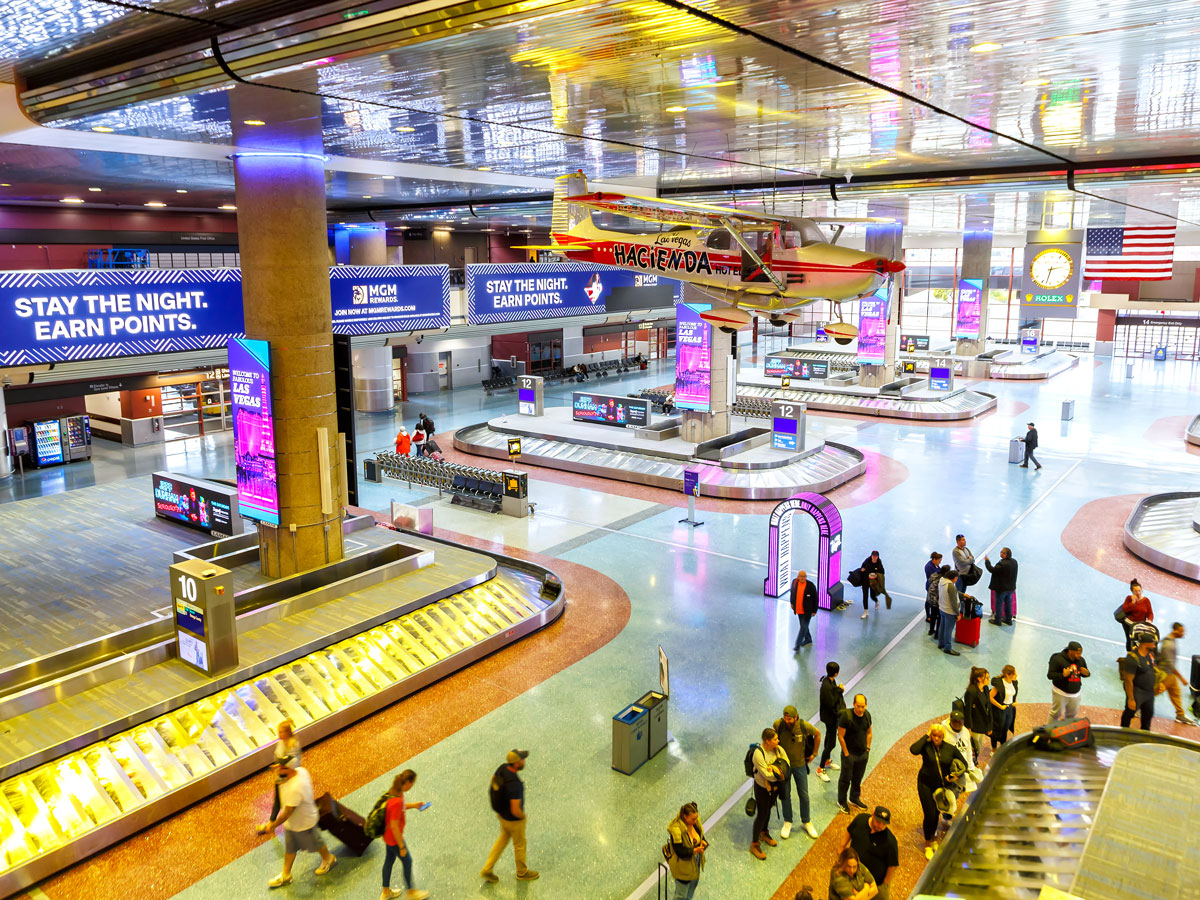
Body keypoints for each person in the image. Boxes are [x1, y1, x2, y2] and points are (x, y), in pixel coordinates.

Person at [257, 760, 336, 887]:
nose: (278, 770)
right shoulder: (301, 771)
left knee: (316, 842)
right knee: (291, 847)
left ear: (289, 769)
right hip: (296, 823)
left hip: (304, 823)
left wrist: (272, 825)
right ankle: (286, 874)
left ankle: (328, 858)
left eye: (281, 768)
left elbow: (287, 812)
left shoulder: (295, 788)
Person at [910, 724, 968, 859]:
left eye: (939, 736)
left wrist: (956, 776)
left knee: (936, 814)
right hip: (925, 784)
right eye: (933, 735)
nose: (936, 738)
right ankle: (927, 843)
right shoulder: (926, 747)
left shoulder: (950, 748)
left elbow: (964, 764)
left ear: (943, 737)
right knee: (929, 814)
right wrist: (926, 736)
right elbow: (913, 749)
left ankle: (933, 838)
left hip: (940, 786)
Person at [480, 749, 538, 883]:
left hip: (502, 816)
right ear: (516, 763)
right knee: (519, 845)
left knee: (502, 840)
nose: (524, 761)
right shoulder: (515, 784)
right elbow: (515, 810)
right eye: (522, 759)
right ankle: (522, 873)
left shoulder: (502, 767)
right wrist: (523, 817)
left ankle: (487, 869)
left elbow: (493, 780)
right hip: (514, 821)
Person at [380, 770, 430, 900]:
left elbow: (399, 808)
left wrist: (414, 805)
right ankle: (411, 892)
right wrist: (401, 847)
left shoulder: (396, 791)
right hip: (395, 839)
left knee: (389, 861)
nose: (412, 786)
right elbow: (395, 827)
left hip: (387, 837)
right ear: (408, 782)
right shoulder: (396, 800)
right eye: (412, 783)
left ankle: (385, 892)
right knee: (408, 862)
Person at [773, 706, 820, 839]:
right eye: (785, 718)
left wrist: (814, 753)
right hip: (785, 767)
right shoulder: (778, 724)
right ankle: (788, 821)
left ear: (796, 717)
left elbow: (817, 734)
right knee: (785, 795)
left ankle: (806, 821)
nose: (787, 721)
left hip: (800, 765)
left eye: (790, 719)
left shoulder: (804, 726)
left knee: (804, 795)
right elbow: (772, 740)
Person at [840, 807, 898, 900]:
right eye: (878, 822)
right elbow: (849, 831)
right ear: (872, 815)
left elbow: (893, 865)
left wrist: (884, 885)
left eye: (884, 824)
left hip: (876, 883)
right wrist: (841, 848)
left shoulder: (889, 841)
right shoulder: (860, 820)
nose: (881, 826)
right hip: (854, 877)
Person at [749, 727, 788, 859]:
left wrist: (776, 769)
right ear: (767, 741)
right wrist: (778, 771)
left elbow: (786, 763)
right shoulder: (758, 754)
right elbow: (767, 774)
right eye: (775, 739)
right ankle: (754, 844)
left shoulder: (778, 748)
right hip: (762, 788)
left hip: (774, 787)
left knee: (769, 810)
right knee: (762, 814)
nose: (778, 740)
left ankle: (764, 832)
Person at [260, 720, 303, 832]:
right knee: (279, 799)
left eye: (281, 732)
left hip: (289, 775)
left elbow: (292, 760)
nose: (279, 734)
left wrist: (281, 764)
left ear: (287, 732)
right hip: (282, 773)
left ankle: (272, 824)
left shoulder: (293, 744)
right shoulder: (282, 743)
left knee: (286, 800)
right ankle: (271, 822)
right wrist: (278, 765)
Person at [836, 694, 872, 814]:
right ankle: (841, 801)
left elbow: (869, 733)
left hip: (862, 754)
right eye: (858, 706)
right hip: (849, 754)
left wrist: (867, 749)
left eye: (863, 706)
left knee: (857, 778)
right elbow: (840, 736)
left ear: (866, 705)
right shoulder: (847, 717)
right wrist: (846, 754)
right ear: (853, 704)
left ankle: (854, 798)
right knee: (845, 779)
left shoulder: (867, 715)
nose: (860, 709)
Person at [666, 801, 707, 900]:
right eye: (693, 819)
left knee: (692, 887)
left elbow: (700, 836)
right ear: (685, 816)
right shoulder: (677, 829)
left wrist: (703, 843)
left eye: (696, 818)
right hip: (682, 866)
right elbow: (679, 851)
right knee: (681, 894)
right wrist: (694, 850)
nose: (696, 820)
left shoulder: (695, 823)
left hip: (695, 862)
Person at [1157, 622, 1197, 725]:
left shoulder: (1171, 640)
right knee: (1153, 692)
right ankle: (1135, 707)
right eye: (1181, 631)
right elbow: (1170, 664)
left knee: (1176, 693)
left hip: (1170, 674)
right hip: (1164, 674)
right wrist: (1181, 678)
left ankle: (1180, 714)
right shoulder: (1168, 645)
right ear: (1175, 630)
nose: (1183, 633)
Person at [942, 706, 983, 796]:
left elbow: (968, 750)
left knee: (966, 787)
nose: (957, 724)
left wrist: (970, 767)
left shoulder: (965, 732)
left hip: (963, 765)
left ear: (963, 722)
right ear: (950, 721)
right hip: (951, 767)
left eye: (959, 721)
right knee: (952, 791)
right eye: (954, 721)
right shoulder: (944, 732)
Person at [1120, 633, 1158, 730]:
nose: (1154, 645)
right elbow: (1128, 680)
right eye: (1153, 643)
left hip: (1149, 693)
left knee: (1148, 715)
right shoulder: (1133, 658)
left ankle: (1144, 738)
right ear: (1145, 644)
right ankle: (1123, 732)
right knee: (1129, 713)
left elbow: (1152, 669)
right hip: (1138, 692)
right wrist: (1131, 699)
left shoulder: (1149, 655)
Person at [817, 662, 846, 783]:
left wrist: (837, 689)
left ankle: (827, 760)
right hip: (830, 718)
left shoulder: (830, 680)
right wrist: (839, 690)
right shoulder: (826, 686)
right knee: (831, 744)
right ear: (836, 672)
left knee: (829, 738)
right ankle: (821, 768)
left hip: (831, 717)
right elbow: (831, 702)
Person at [1047, 641, 1091, 722]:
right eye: (1077, 653)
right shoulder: (1057, 659)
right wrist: (1063, 675)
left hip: (1075, 694)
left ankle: (1067, 731)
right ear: (1070, 651)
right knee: (1055, 714)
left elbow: (1085, 673)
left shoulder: (1081, 660)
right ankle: (1048, 732)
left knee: (1071, 715)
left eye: (1081, 653)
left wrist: (1087, 674)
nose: (1080, 655)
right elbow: (1050, 675)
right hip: (1060, 693)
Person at [963, 667, 992, 758]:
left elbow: (988, 707)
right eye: (987, 677)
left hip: (983, 724)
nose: (989, 679)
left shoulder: (986, 688)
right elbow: (968, 711)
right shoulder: (971, 691)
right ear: (979, 679)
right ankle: (972, 763)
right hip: (974, 725)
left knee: (979, 744)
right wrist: (969, 727)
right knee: (975, 747)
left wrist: (989, 725)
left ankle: (974, 761)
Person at [983, 547, 1017, 626]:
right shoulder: (1014, 562)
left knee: (999, 604)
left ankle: (997, 620)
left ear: (1006, 554)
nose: (1000, 553)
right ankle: (1008, 620)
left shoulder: (1003, 564)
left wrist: (987, 561)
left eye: (1002, 552)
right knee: (1008, 604)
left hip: (1002, 589)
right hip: (1011, 588)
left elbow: (992, 570)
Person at [988, 665, 1019, 747]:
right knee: (997, 729)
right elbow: (990, 697)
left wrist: (1015, 701)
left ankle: (1002, 745)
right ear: (1008, 675)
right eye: (1015, 674)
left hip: (1010, 709)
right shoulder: (999, 684)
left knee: (1005, 728)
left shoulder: (1014, 682)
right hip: (1001, 710)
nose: (1017, 675)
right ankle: (994, 748)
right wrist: (1000, 706)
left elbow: (1013, 695)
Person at [936, 565, 963, 656]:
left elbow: (952, 593)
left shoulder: (942, 581)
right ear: (954, 578)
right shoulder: (951, 586)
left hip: (942, 608)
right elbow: (953, 601)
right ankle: (948, 648)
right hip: (949, 611)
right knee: (948, 630)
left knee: (942, 627)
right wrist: (957, 613)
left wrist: (963, 594)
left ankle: (941, 643)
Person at [1120, 579, 1154, 651]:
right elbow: (1125, 609)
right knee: (1130, 640)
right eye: (1135, 591)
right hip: (1128, 623)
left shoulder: (1146, 600)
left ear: (1141, 590)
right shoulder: (1129, 598)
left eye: (1139, 590)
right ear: (1132, 591)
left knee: (1139, 641)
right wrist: (1132, 602)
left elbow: (1150, 613)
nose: (1138, 593)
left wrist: (1150, 620)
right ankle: (1130, 654)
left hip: (1140, 625)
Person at [856, 551, 891, 618]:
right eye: (873, 556)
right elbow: (862, 566)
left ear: (877, 557)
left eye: (876, 556)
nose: (874, 557)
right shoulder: (867, 560)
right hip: (865, 581)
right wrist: (862, 569)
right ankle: (865, 611)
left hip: (873, 582)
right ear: (871, 556)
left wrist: (876, 575)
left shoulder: (879, 563)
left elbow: (882, 572)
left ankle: (876, 601)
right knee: (865, 596)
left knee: (872, 596)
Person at [791, 569, 818, 650]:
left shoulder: (810, 585)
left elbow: (815, 599)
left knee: (803, 627)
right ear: (798, 577)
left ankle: (797, 645)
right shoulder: (795, 582)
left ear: (806, 577)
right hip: (799, 610)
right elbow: (792, 593)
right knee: (804, 626)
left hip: (807, 611)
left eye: (804, 576)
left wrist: (814, 611)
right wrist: (792, 603)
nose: (802, 578)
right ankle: (808, 639)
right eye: (801, 576)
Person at [924, 552, 943, 638]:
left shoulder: (935, 565)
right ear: (934, 560)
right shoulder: (928, 567)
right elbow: (932, 577)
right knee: (928, 601)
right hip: (931, 588)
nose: (940, 562)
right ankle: (928, 616)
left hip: (935, 587)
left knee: (929, 602)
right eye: (939, 561)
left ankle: (931, 616)